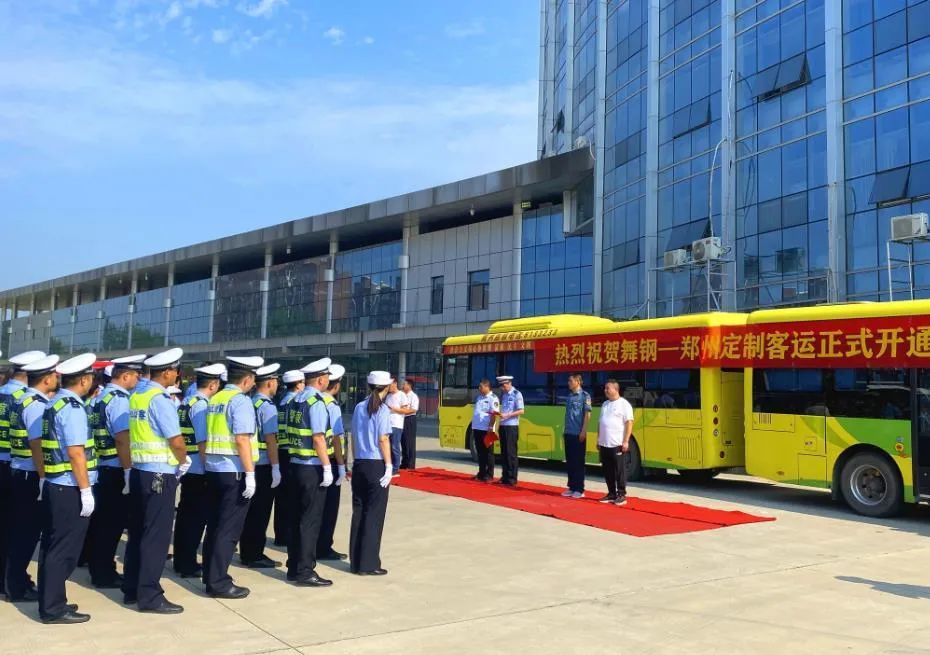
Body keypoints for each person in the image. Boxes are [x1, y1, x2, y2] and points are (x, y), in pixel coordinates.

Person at [122, 348, 191, 614]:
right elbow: (175, 439)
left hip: (140, 470)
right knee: (157, 536)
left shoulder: (138, 394)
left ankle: (132, 588)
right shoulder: (160, 399)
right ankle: (150, 595)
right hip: (160, 473)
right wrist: (183, 460)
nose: (177, 375)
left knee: (139, 532)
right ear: (167, 372)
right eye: (175, 370)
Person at [37, 353, 99, 624]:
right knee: (64, 549)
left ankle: (54, 601)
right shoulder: (72, 408)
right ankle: (52, 608)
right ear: (84, 380)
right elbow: (76, 453)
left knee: (54, 547)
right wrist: (86, 491)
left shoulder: (55, 403)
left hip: (56, 483)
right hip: (69, 487)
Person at [202, 355, 264, 599]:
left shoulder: (215, 398)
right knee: (228, 530)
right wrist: (250, 474)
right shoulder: (240, 401)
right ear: (248, 379)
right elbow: (242, 439)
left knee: (215, 527)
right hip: (234, 471)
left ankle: (210, 575)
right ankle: (219, 582)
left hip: (216, 469)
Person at [85, 354, 145, 589]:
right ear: (126, 376)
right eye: (136, 375)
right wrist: (129, 471)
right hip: (115, 469)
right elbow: (122, 439)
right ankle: (104, 573)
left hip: (102, 466)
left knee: (102, 523)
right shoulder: (119, 399)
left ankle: (100, 568)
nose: (138, 379)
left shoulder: (101, 395)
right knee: (111, 525)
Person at [6, 354, 60, 602]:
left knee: (16, 530)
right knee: (26, 534)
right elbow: (37, 446)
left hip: (17, 469)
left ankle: (12, 581)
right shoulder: (36, 404)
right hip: (29, 474)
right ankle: (17, 586)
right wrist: (43, 478)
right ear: (47, 378)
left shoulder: (21, 399)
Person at [0, 350, 46, 599]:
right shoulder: (25, 399)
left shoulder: (3, 393)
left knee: (6, 526)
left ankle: (6, 579)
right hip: (18, 466)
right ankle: (15, 583)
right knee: (22, 529)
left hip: (7, 465)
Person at [172, 363, 225, 578]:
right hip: (199, 469)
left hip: (188, 467)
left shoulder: (187, 401)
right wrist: (209, 469)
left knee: (186, 517)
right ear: (213, 384)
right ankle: (187, 564)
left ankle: (181, 560)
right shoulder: (202, 406)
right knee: (195, 520)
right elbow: (203, 442)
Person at [286, 357, 335, 587]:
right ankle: (305, 571)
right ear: (321, 379)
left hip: (295, 465)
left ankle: (293, 566)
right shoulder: (316, 402)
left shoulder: (295, 400)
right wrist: (327, 466)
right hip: (311, 468)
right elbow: (318, 437)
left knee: (296, 519)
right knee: (310, 521)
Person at [349, 371, 394, 575]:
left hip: (360, 463)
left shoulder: (359, 407)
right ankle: (369, 564)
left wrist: (354, 459)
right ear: (386, 387)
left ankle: (356, 561)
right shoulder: (382, 410)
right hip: (376, 464)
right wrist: (389, 465)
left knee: (359, 512)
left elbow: (353, 436)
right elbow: (383, 439)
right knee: (374, 515)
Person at [238, 363, 282, 568]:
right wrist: (276, 467)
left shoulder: (250, 402)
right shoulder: (267, 406)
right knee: (261, 512)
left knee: (251, 511)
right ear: (270, 382)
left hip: (250, 462)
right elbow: (271, 439)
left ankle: (248, 550)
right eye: (276, 382)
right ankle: (254, 554)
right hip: (263, 463)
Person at [317, 363, 347, 561]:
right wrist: (342, 464)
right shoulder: (332, 405)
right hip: (331, 460)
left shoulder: (315, 400)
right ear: (336, 385)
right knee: (329, 509)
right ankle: (324, 547)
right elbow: (337, 437)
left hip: (316, 460)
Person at [274, 370, 304, 546]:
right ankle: (285, 534)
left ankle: (281, 533)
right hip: (289, 451)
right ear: (298, 384)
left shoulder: (281, 400)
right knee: (289, 497)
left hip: (281, 449)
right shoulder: (294, 402)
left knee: (282, 497)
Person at [598, 380, 634, 506]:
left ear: (616, 389)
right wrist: (599, 439)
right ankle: (611, 493)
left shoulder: (624, 404)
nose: (605, 390)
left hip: (617, 443)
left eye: (608, 388)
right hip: (604, 443)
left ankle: (621, 494)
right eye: (605, 388)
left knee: (620, 470)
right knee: (607, 470)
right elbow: (600, 423)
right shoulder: (605, 404)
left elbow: (629, 422)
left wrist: (626, 441)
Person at [562, 373, 592, 499]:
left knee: (578, 461)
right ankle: (572, 486)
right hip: (568, 432)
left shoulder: (584, 396)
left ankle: (579, 488)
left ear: (578, 382)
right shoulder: (569, 397)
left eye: (571, 381)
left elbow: (587, 415)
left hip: (578, 433)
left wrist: (583, 431)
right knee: (570, 461)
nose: (568, 383)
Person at [497, 375, 524, 486]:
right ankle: (505, 476)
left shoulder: (516, 394)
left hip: (511, 426)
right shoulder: (504, 395)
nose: (502, 389)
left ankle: (512, 478)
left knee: (511, 453)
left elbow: (521, 410)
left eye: (503, 386)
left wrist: (508, 415)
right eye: (501, 387)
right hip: (503, 425)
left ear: (508, 384)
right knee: (504, 452)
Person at [471, 379, 500, 482]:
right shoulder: (479, 397)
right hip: (477, 428)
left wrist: (490, 427)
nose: (479, 388)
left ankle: (489, 474)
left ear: (487, 387)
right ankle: (481, 473)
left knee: (488, 453)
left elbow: (494, 414)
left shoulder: (493, 398)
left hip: (486, 429)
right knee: (480, 452)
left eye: (481, 387)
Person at [385, 379, 410, 476]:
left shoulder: (401, 395)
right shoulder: (388, 396)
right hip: (388, 424)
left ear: (395, 384)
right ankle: (389, 466)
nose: (388, 387)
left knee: (394, 446)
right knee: (388, 446)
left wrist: (393, 409)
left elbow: (406, 410)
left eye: (390, 385)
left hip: (397, 424)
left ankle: (395, 469)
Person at [400, 379, 419, 470]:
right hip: (402, 418)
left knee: (410, 442)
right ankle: (404, 462)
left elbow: (414, 409)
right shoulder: (401, 395)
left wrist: (403, 411)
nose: (403, 386)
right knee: (403, 441)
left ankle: (411, 464)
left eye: (404, 384)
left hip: (410, 419)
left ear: (409, 386)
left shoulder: (413, 396)